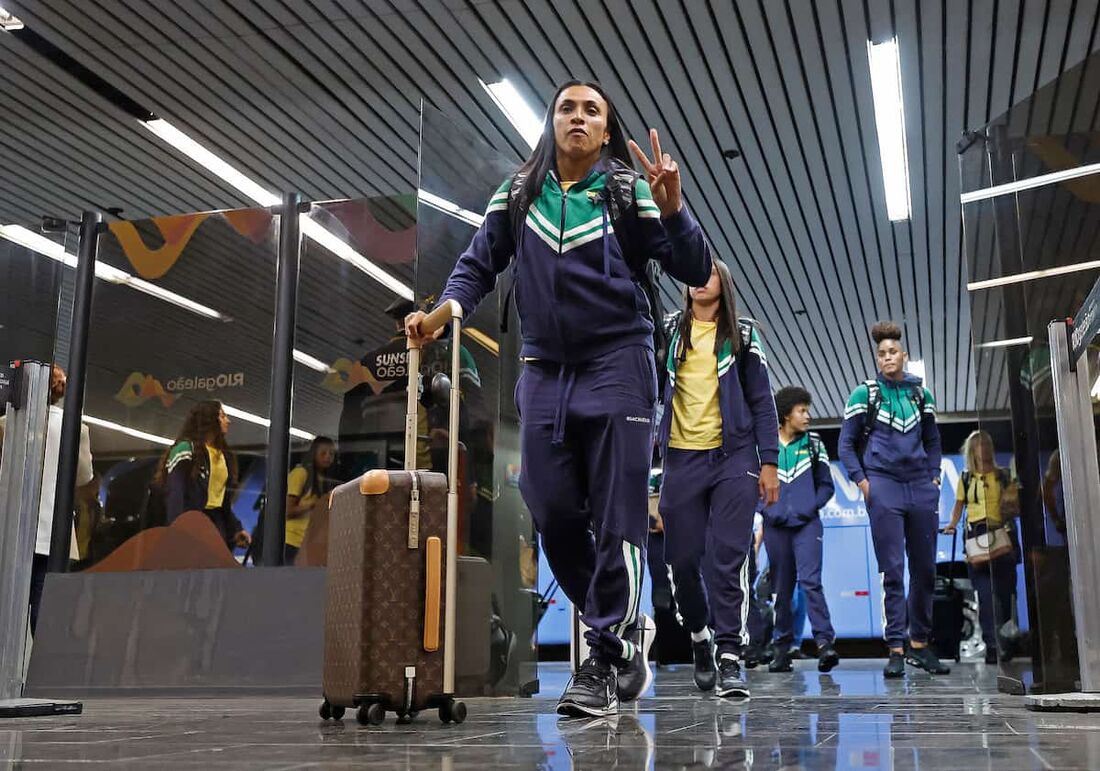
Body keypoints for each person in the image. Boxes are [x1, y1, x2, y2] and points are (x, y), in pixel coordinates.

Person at [406, 80, 712, 717]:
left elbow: (692, 269)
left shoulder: (629, 191)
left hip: (619, 364)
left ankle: (602, 654)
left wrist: (675, 208)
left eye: (591, 111)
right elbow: (477, 263)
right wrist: (442, 314)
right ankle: (623, 628)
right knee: (550, 510)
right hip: (544, 371)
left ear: (605, 131)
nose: (577, 117)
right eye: (566, 108)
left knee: (618, 513)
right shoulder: (518, 192)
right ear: (551, 124)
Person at [656, 259, 780, 699]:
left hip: (735, 458)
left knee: (728, 557)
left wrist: (770, 462)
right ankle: (700, 638)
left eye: (707, 273)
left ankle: (730, 655)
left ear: (724, 285)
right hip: (681, 459)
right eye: (694, 273)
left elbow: (763, 403)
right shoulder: (669, 330)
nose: (698, 280)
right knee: (682, 561)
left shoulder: (743, 336)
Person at [838, 321, 948, 678]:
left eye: (892, 352)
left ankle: (920, 645)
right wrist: (864, 483)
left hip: (920, 485)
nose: (887, 357)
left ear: (904, 355)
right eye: (881, 354)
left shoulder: (921, 395)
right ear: (877, 359)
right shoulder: (864, 394)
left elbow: (932, 440)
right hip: (883, 483)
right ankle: (896, 648)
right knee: (893, 570)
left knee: (926, 569)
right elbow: (845, 444)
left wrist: (933, 477)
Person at [0, 365, 93, 633]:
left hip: (14, 529)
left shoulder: (9, 424)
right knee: (45, 609)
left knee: (10, 607)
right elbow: (84, 476)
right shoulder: (76, 428)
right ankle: (38, 671)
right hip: (53, 531)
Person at [760, 385, 838, 674]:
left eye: (807, 410)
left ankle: (825, 645)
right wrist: (768, 510)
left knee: (810, 582)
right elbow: (751, 486)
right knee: (781, 589)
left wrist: (807, 509)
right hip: (776, 528)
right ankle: (781, 650)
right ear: (786, 415)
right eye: (802, 410)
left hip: (807, 526)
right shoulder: (765, 447)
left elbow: (826, 485)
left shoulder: (814, 444)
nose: (807, 416)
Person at [943, 430, 1020, 664]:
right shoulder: (966, 478)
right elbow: (958, 506)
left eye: (986, 444)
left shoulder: (1003, 475)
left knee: (1006, 596)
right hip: (977, 537)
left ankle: (1006, 640)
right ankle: (992, 646)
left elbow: (1015, 506)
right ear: (972, 451)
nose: (983, 449)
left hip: (1001, 535)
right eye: (978, 445)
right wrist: (952, 525)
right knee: (985, 598)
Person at [158, 400, 250, 552]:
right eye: (222, 416)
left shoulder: (224, 455)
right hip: (192, 521)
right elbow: (176, 492)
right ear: (210, 419)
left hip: (215, 523)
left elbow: (222, 501)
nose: (228, 421)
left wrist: (235, 529)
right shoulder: (186, 449)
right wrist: (178, 529)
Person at [285, 436, 337, 564]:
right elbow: (287, 510)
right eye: (323, 453)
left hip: (307, 541)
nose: (328, 457)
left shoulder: (322, 479)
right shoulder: (301, 473)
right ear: (314, 453)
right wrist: (316, 504)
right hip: (291, 541)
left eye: (331, 454)